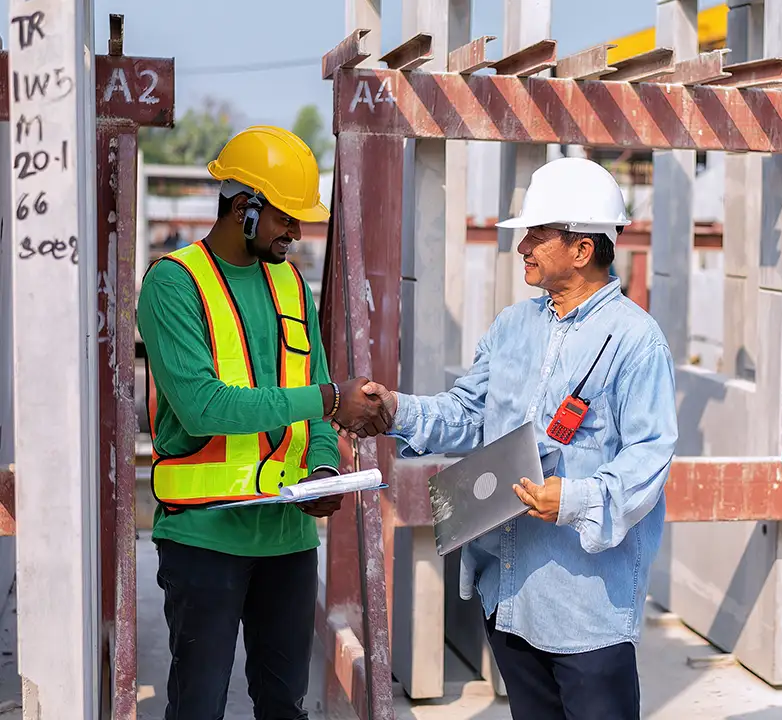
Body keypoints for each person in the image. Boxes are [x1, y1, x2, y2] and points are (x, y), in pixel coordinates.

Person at [359, 157, 678, 720]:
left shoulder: (636, 341)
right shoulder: (513, 325)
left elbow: (649, 458)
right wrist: (396, 410)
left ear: (582, 249)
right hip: (507, 591)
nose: (522, 247)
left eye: (536, 235)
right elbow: (469, 413)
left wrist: (574, 499)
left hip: (585, 609)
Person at [137, 125, 393, 720]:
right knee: (198, 706)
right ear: (242, 208)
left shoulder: (291, 284)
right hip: (204, 537)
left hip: (288, 540)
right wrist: (328, 399)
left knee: (284, 706)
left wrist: (323, 468)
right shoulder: (173, 283)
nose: (296, 232)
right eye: (284, 217)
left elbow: (318, 401)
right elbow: (204, 406)